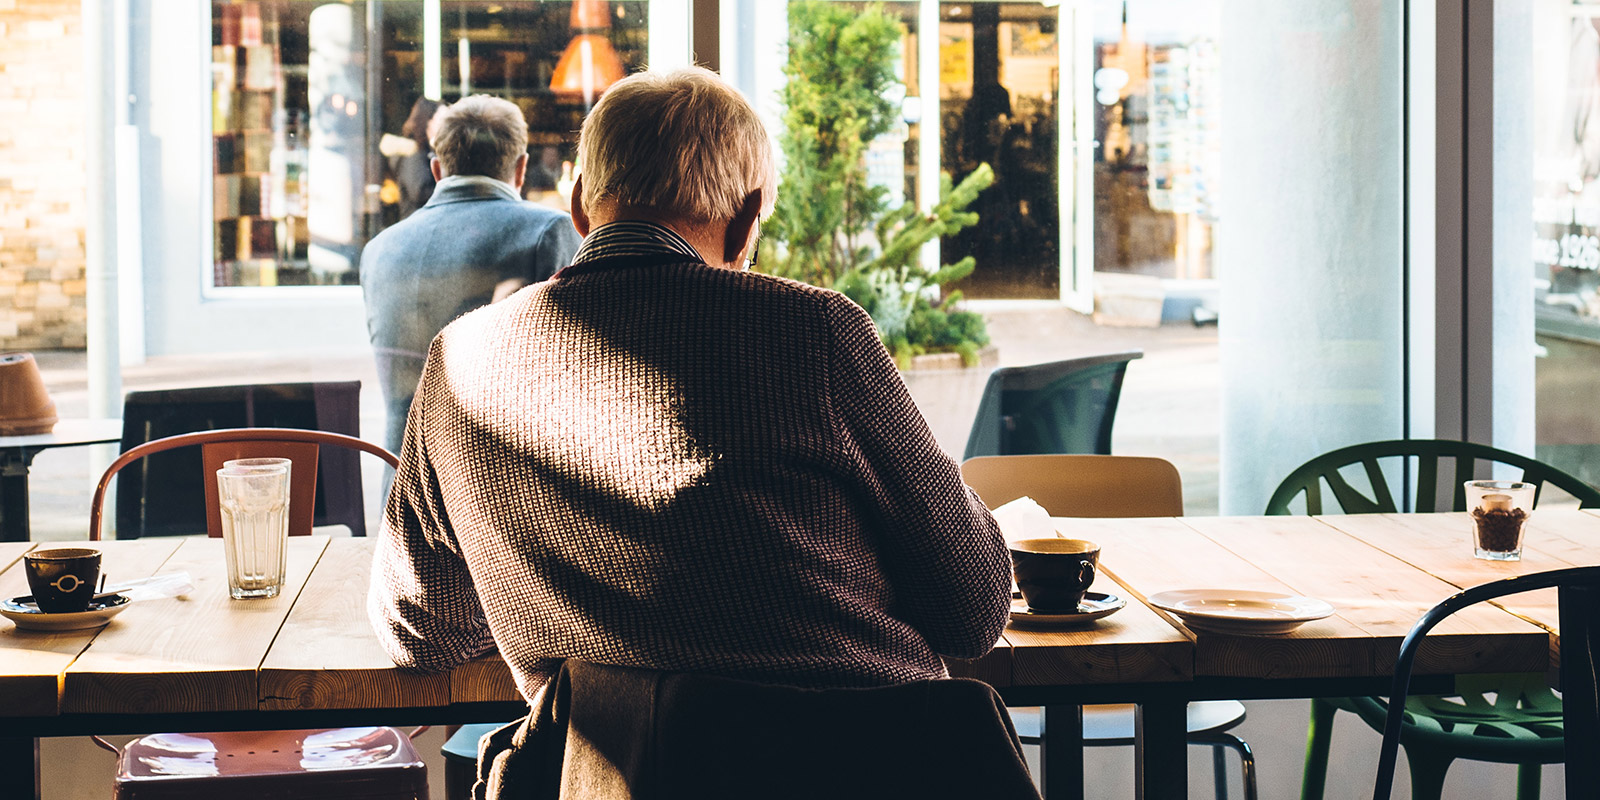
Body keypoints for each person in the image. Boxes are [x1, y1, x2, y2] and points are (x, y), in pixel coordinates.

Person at [368, 67, 1010, 701]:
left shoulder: (461, 359)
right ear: (746, 219)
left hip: (610, 775)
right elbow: (973, 608)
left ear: (579, 205)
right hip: (865, 764)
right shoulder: (814, 332)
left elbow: (420, 631)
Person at [360, 95, 581, 454]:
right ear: (521, 169)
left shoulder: (379, 249)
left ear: (437, 170)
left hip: (399, 489)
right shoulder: (548, 232)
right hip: (496, 489)